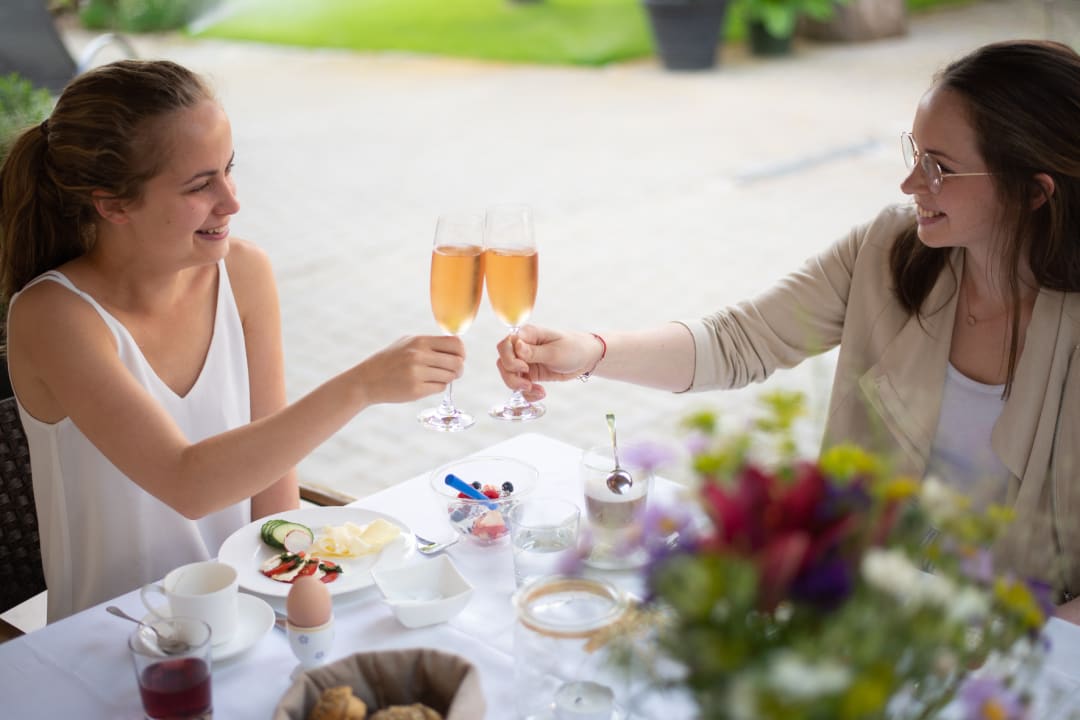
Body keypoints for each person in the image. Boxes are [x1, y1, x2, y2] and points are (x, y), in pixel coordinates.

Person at [495, 40, 1080, 621]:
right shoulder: (887, 250)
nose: (909, 184)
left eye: (940, 168)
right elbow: (740, 341)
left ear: (1034, 191)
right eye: (915, 153)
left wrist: (1026, 647)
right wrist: (591, 352)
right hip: (859, 613)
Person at [0, 59, 465, 622]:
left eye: (228, 169)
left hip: (247, 617)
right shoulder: (54, 316)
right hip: (117, 639)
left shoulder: (243, 273)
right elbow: (186, 481)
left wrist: (295, 598)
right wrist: (361, 386)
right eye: (200, 185)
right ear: (113, 204)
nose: (231, 201)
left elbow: (272, 476)